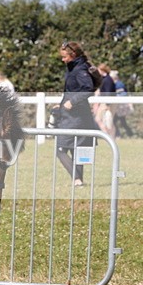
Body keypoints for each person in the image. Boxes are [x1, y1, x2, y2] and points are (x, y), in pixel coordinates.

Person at [54, 41, 100, 186]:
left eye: (65, 57)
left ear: (73, 55)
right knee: (77, 149)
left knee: (61, 149)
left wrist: (72, 102)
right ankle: (78, 181)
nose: (63, 60)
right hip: (76, 113)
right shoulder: (75, 66)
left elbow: (88, 89)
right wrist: (62, 103)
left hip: (75, 115)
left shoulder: (79, 69)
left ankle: (77, 179)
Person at [110, 69, 134, 138]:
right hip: (118, 106)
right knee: (121, 121)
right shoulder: (116, 84)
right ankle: (129, 133)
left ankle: (119, 134)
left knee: (115, 121)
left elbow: (123, 94)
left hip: (120, 106)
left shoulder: (119, 84)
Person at [94, 63, 116, 138]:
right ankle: (108, 135)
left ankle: (108, 136)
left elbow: (108, 92)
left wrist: (107, 104)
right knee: (105, 120)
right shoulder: (105, 79)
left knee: (103, 120)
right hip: (105, 102)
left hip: (106, 103)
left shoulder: (107, 80)